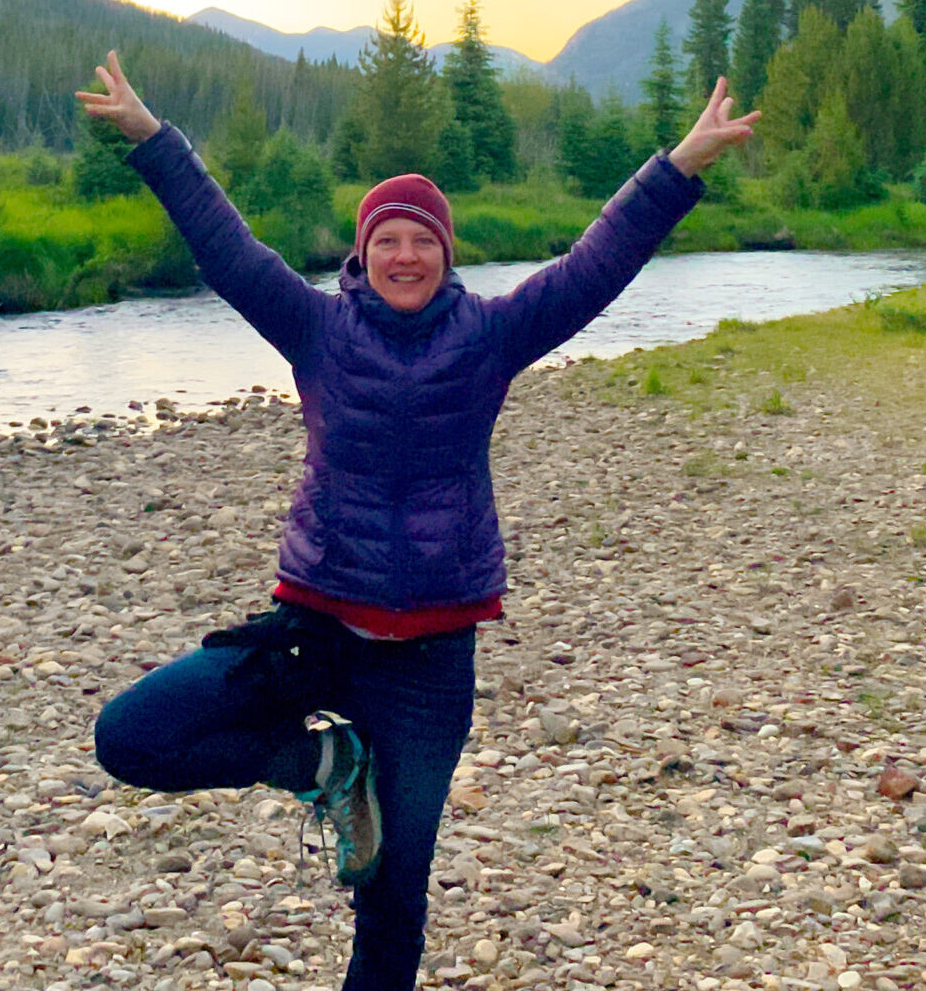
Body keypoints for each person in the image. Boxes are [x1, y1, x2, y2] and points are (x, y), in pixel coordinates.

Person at [78, 50, 757, 991]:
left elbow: (596, 265)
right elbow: (226, 247)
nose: (405, 255)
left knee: (393, 899)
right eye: (387, 240)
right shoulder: (315, 328)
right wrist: (154, 139)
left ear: (447, 255)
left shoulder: (492, 335)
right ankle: (323, 766)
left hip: (430, 666)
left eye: (423, 241)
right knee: (133, 737)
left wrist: (679, 165)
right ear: (362, 254)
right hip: (313, 632)